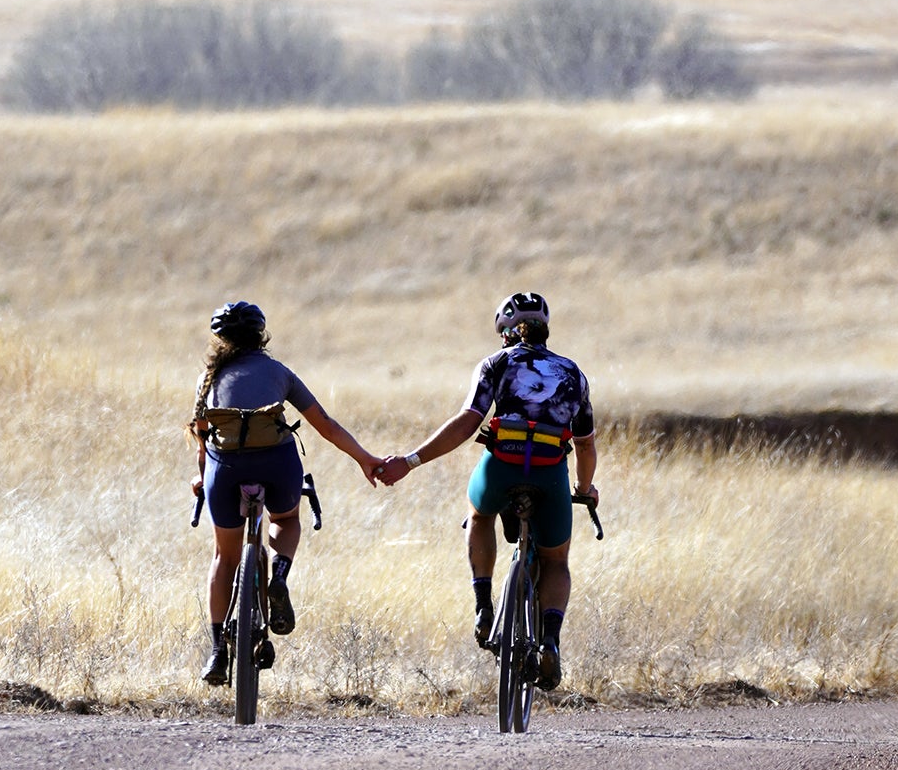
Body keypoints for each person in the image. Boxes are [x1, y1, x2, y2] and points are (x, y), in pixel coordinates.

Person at [378, 291, 597, 692]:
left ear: (504, 332)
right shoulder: (572, 373)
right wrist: (584, 488)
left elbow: (467, 422)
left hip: (501, 467)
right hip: (551, 474)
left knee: (479, 516)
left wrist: (410, 461)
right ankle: (549, 639)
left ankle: (483, 604)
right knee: (557, 560)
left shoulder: (496, 364)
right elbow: (584, 444)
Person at [191, 300, 382, 687]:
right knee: (285, 518)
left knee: (223, 557)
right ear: (261, 335)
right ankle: (278, 573)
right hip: (276, 468)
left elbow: (202, 440)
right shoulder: (279, 372)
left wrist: (201, 477)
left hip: (225, 472)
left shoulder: (208, 379)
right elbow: (325, 425)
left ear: (219, 339)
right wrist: (365, 459)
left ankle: (216, 650)